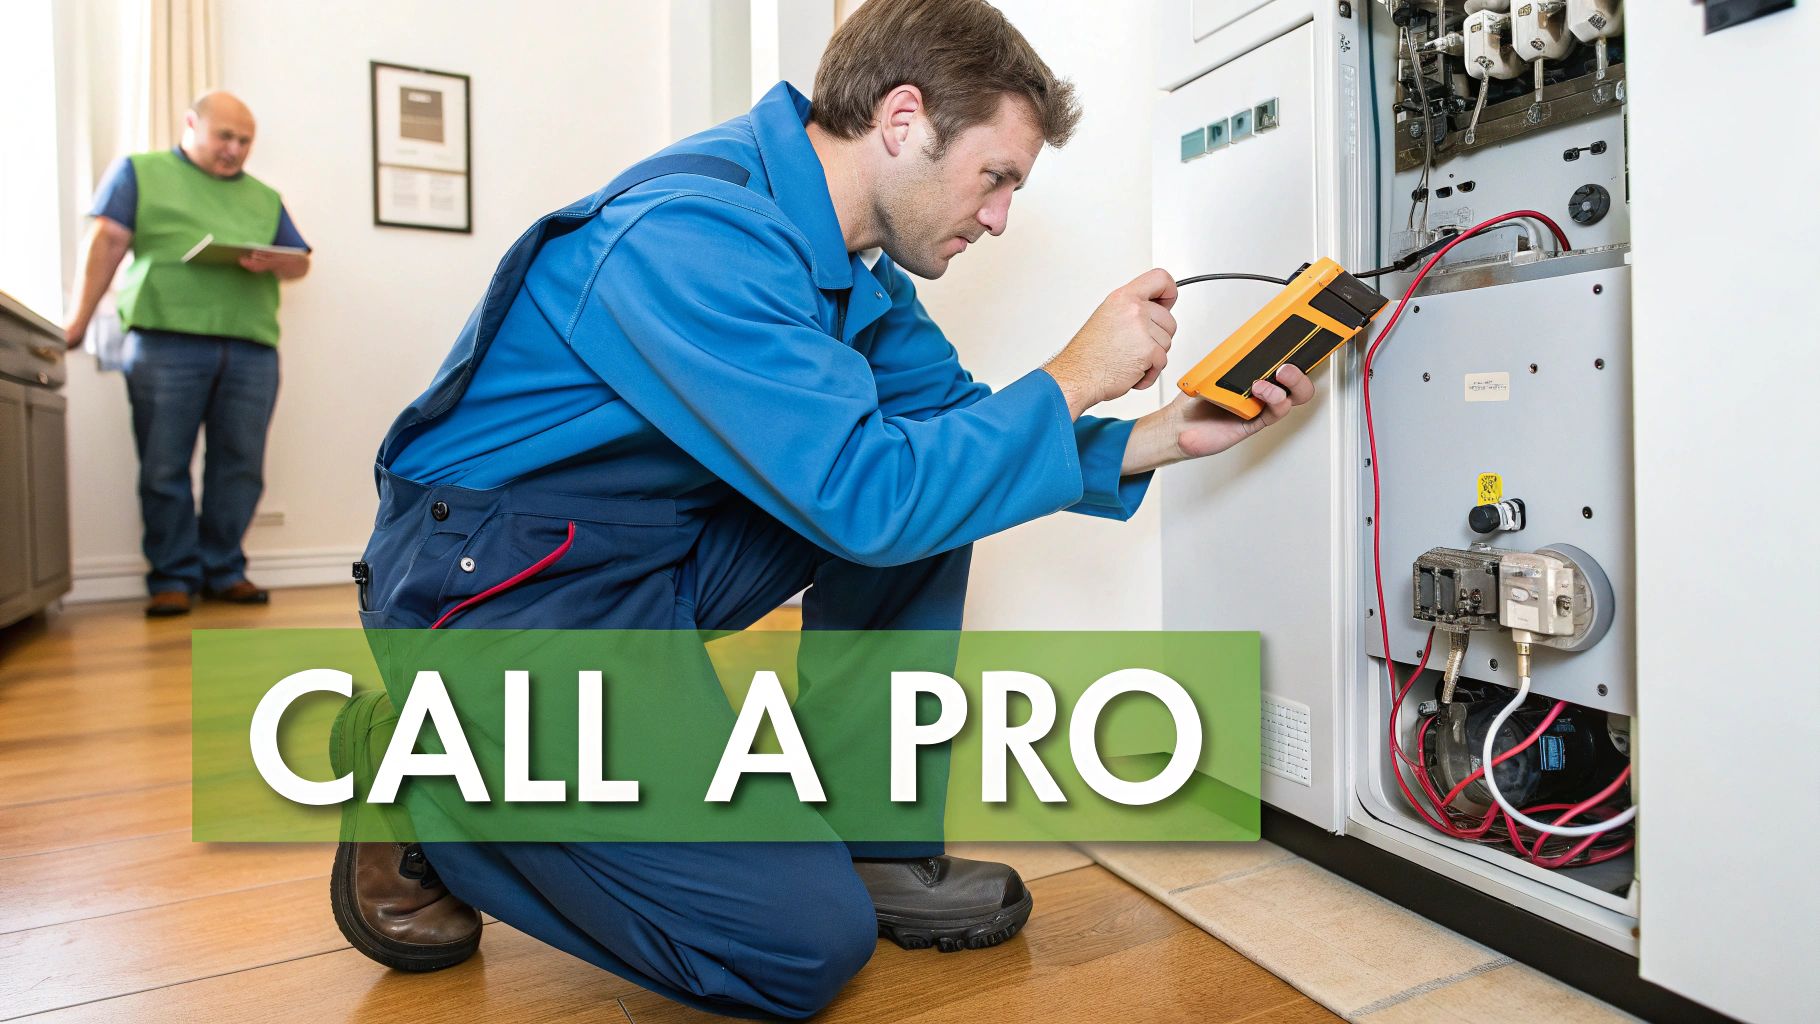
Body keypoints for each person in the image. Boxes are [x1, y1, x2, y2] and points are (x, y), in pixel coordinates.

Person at [335, 0, 1314, 1017]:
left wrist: (1163, 433)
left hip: (642, 556)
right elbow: (870, 496)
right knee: (795, 949)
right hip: (494, 590)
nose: (997, 218)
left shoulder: (854, 270)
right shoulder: (690, 234)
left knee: (931, 488)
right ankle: (422, 774)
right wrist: (1072, 372)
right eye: (996, 178)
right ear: (901, 120)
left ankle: (869, 836)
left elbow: (955, 437)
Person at [64, 91, 311, 617]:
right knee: (163, 464)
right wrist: (78, 321)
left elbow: (300, 264)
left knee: (240, 465)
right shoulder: (139, 172)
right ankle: (172, 576)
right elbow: (106, 241)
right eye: (225, 137)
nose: (235, 149)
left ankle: (224, 570)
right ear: (192, 124)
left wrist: (273, 261)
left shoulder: (265, 198)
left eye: (245, 141)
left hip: (250, 347)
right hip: (163, 340)